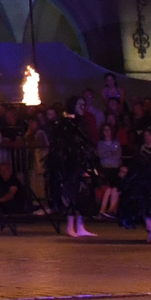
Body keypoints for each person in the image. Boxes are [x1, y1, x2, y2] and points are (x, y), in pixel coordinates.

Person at [46, 96, 99, 237]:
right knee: (71, 195)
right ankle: (70, 227)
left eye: (84, 104)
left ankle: (81, 226)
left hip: (81, 165)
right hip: (70, 166)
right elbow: (63, 148)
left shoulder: (83, 123)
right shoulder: (66, 124)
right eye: (79, 104)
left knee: (82, 194)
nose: (82, 107)